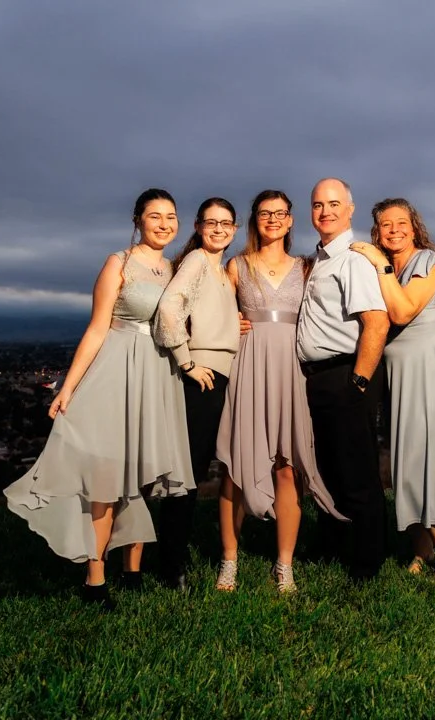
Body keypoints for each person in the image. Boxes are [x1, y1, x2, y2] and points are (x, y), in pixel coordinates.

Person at [4, 188, 195, 608]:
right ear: (138, 221)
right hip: (117, 370)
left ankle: (133, 571)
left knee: (140, 473)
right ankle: (95, 580)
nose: (164, 224)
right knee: (107, 478)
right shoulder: (119, 263)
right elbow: (96, 328)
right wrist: (67, 386)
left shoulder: (177, 269)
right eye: (154, 216)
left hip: (160, 376)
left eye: (171, 216)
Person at [214, 190, 346, 594]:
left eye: (281, 213)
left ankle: (284, 565)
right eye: (265, 213)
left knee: (287, 466)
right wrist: (227, 322)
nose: (273, 219)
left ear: (291, 221)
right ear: (255, 220)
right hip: (248, 367)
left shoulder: (307, 267)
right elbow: (209, 311)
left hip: (291, 370)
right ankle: (229, 561)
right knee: (234, 468)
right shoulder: (236, 266)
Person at [350, 198, 435, 582]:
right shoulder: (387, 267)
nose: (394, 230)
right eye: (385, 225)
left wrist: (378, 262)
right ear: (377, 231)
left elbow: (403, 312)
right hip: (398, 373)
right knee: (407, 461)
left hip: (428, 368)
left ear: (414, 226)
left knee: (427, 460)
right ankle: (420, 548)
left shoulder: (428, 261)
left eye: (401, 222)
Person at [295, 177, 390, 582]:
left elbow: (376, 323)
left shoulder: (353, 260)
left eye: (334, 204)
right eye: (318, 205)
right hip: (316, 378)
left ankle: (367, 563)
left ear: (350, 210)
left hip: (346, 374)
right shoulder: (319, 259)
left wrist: (359, 382)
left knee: (356, 473)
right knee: (326, 470)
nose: (325, 211)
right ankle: (333, 543)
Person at [152, 197, 241, 590]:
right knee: (185, 476)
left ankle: (171, 556)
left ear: (235, 229)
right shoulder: (197, 261)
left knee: (193, 472)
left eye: (226, 223)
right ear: (199, 226)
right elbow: (169, 307)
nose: (219, 229)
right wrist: (187, 361)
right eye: (211, 223)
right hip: (200, 378)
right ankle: (171, 567)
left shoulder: (220, 271)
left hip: (220, 375)